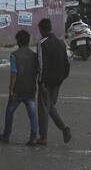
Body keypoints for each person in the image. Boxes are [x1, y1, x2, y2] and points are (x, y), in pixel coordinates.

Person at [35, 18, 71, 146]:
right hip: (58, 80)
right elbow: (67, 63)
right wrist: (62, 77)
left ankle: (43, 137)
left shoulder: (42, 43)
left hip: (46, 81)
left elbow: (41, 64)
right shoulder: (61, 43)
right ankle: (63, 127)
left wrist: (41, 82)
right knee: (50, 106)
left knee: (43, 108)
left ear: (42, 30)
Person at [1, 30, 40, 146]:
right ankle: (33, 138)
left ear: (18, 41)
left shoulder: (14, 55)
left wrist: (11, 89)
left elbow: (14, 73)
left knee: (10, 111)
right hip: (30, 90)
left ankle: (6, 135)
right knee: (32, 114)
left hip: (17, 90)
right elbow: (37, 71)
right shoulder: (34, 56)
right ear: (28, 41)